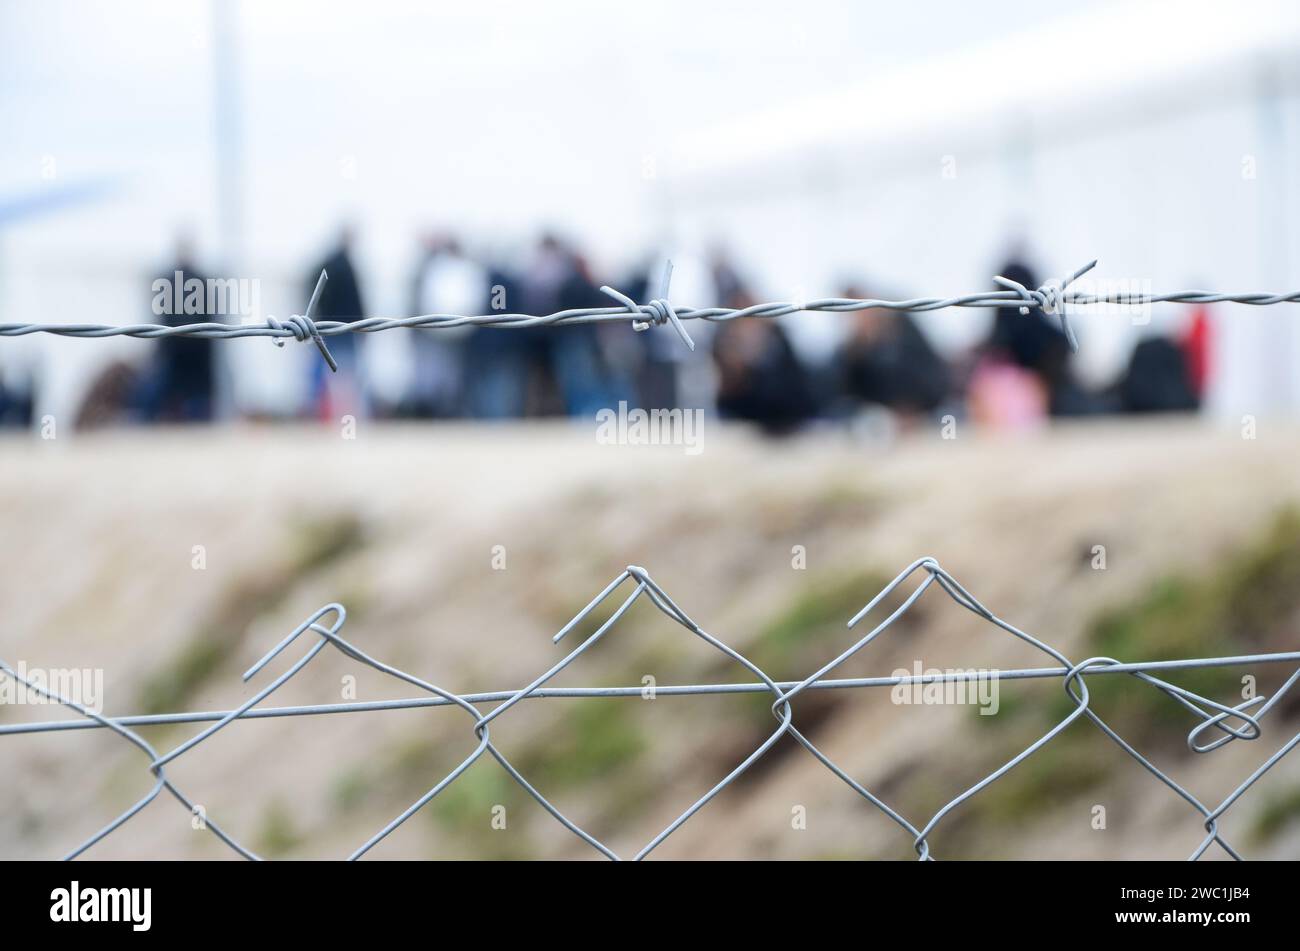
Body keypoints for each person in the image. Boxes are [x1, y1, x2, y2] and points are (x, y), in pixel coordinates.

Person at [836, 285, 949, 421]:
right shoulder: (854, 348)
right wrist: (858, 349)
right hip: (877, 417)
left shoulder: (900, 326)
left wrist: (911, 407)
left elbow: (924, 371)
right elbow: (848, 389)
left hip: (922, 410)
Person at [712, 288, 816, 434]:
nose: (746, 329)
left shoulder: (779, 345)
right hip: (744, 436)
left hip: (792, 430)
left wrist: (756, 364)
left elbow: (790, 400)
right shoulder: (725, 351)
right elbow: (726, 409)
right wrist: (735, 377)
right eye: (740, 322)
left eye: (750, 319)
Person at [408, 232, 487, 417]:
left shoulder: (450, 269)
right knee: (441, 375)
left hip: (453, 331)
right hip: (444, 330)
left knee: (449, 375)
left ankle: (447, 411)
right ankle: (440, 411)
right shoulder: (445, 268)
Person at [146, 236, 216, 422]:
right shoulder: (193, 280)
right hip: (182, 354)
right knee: (180, 406)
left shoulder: (181, 280)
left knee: (188, 406)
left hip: (191, 354)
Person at [306, 225, 366, 420]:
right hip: (344, 330)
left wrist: (318, 317)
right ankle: (344, 415)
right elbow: (355, 300)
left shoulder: (327, 264)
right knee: (344, 377)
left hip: (327, 328)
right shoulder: (344, 265)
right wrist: (361, 325)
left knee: (328, 375)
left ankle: (328, 415)